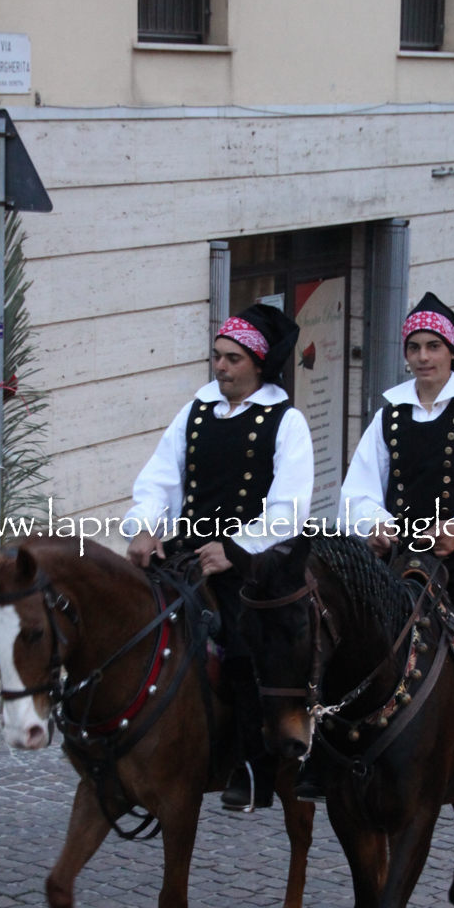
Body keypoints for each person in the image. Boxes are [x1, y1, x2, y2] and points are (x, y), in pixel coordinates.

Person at [334, 291, 454, 818]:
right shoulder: (388, 416)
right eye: (414, 347)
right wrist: (374, 524)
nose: (422, 357)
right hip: (396, 560)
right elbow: (356, 492)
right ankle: (323, 755)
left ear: (451, 353)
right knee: (333, 633)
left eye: (432, 347)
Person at [123, 304, 314, 811]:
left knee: (246, 648)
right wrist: (145, 526)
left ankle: (254, 767)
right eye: (217, 356)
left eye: (232, 358)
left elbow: (290, 507)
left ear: (258, 363)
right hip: (186, 552)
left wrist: (234, 549)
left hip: (248, 562)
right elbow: (160, 478)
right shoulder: (195, 411)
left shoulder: (286, 421)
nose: (221, 366)